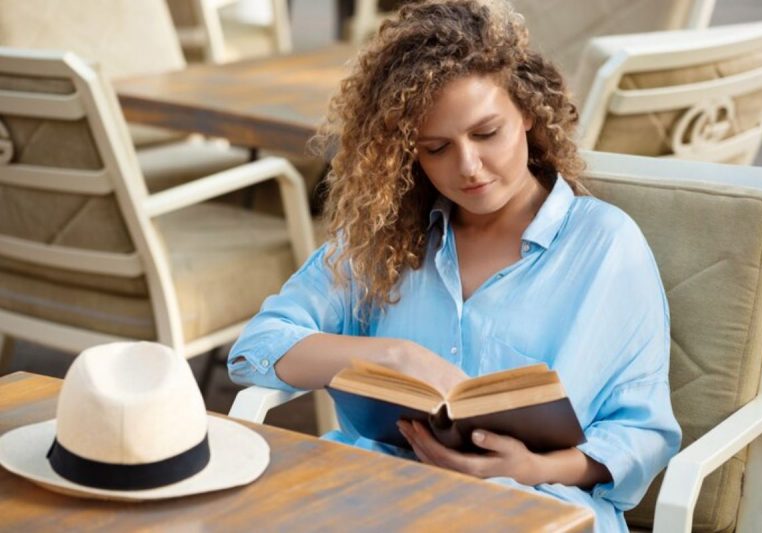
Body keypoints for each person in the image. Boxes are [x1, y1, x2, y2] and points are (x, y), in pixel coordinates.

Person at [228, 1, 681, 530]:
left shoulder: (605, 245)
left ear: (528, 113)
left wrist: (535, 467)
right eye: (436, 147)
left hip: (534, 503)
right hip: (382, 491)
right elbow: (257, 348)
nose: (467, 167)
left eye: (487, 134)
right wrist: (394, 357)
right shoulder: (387, 237)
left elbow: (643, 434)